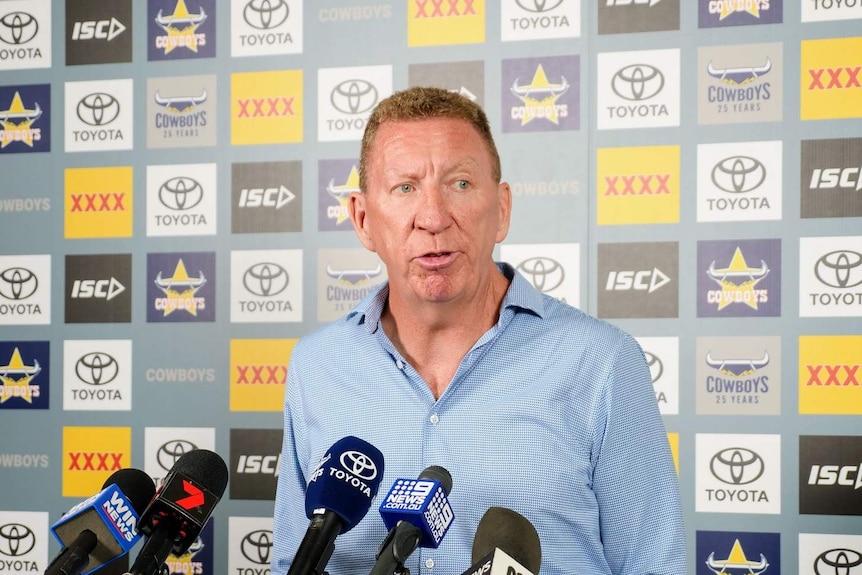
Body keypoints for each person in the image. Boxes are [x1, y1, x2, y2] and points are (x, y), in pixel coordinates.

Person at [271, 86, 686, 575]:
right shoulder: (317, 365)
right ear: (363, 219)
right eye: (405, 187)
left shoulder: (602, 363)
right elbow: (291, 562)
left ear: (502, 208)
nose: (433, 218)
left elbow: (655, 566)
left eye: (460, 184)